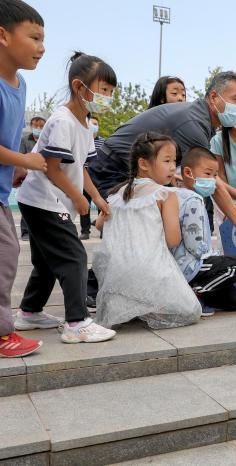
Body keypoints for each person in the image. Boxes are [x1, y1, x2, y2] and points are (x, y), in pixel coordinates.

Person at [86, 71, 236, 303]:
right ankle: (94, 286)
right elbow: (209, 180)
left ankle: (150, 283)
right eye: (235, 100)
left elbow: (206, 174)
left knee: (146, 234)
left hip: (136, 169)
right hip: (116, 167)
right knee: (132, 233)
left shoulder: (205, 121)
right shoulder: (194, 122)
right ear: (214, 97)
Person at [15, 52, 116, 343]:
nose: (107, 97)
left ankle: (30, 312)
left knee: (48, 261)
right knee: (74, 256)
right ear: (78, 86)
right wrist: (78, 199)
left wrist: (96, 198)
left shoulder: (85, 123)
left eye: (111, 91)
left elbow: (80, 167)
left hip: (44, 200)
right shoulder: (63, 120)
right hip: (42, 200)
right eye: (103, 90)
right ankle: (76, 323)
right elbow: (51, 167)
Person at [93, 132, 201, 329]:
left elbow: (99, 225)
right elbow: (173, 239)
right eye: (166, 161)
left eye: (173, 161)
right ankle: (148, 304)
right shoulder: (166, 194)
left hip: (115, 273)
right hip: (149, 271)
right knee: (191, 311)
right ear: (143, 164)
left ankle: (132, 304)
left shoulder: (117, 193)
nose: (171, 167)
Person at [0, 0, 47, 357]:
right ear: (3, 35)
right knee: (6, 253)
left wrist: (15, 164)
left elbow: (9, 135)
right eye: (33, 37)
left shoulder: (20, 84)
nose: (41, 47)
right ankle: (2, 334)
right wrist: (25, 160)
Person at [174, 147, 236, 314]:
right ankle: (192, 295)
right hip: (190, 264)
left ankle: (200, 292)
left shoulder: (183, 196)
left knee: (235, 301)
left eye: (215, 176)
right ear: (188, 172)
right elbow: (195, 245)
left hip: (189, 263)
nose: (213, 180)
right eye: (207, 174)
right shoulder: (191, 199)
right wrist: (214, 256)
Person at [18, 116, 45, 241]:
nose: (38, 129)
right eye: (36, 126)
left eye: (41, 126)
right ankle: (25, 232)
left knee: (41, 206)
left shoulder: (47, 140)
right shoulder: (24, 140)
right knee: (27, 204)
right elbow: (20, 157)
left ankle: (39, 231)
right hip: (28, 176)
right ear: (31, 126)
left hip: (43, 178)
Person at [79, 115, 104, 240]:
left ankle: (103, 230)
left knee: (101, 204)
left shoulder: (104, 142)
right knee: (85, 205)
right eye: (91, 124)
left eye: (96, 124)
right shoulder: (82, 141)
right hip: (84, 177)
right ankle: (85, 231)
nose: (94, 126)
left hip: (99, 177)